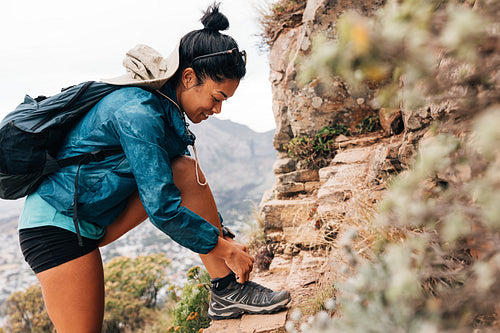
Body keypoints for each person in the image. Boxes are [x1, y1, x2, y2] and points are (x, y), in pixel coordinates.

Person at [17, 3, 290, 332]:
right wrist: (227, 250)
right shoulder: (139, 112)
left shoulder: (162, 112)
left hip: (90, 213)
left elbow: (175, 186)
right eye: (217, 97)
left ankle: (227, 291)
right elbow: (161, 209)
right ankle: (227, 281)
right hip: (55, 225)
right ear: (188, 77)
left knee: (185, 170)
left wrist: (223, 236)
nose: (217, 109)